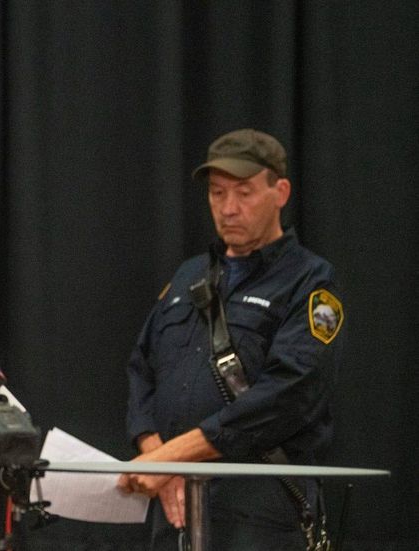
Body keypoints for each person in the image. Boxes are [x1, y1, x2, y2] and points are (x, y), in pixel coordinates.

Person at [118, 129, 345, 549]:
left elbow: (290, 394)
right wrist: (157, 458)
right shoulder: (188, 277)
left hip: (257, 510)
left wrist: (171, 458)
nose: (228, 208)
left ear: (280, 191)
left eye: (244, 192)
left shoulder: (310, 280)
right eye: (217, 193)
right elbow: (141, 369)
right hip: (174, 509)